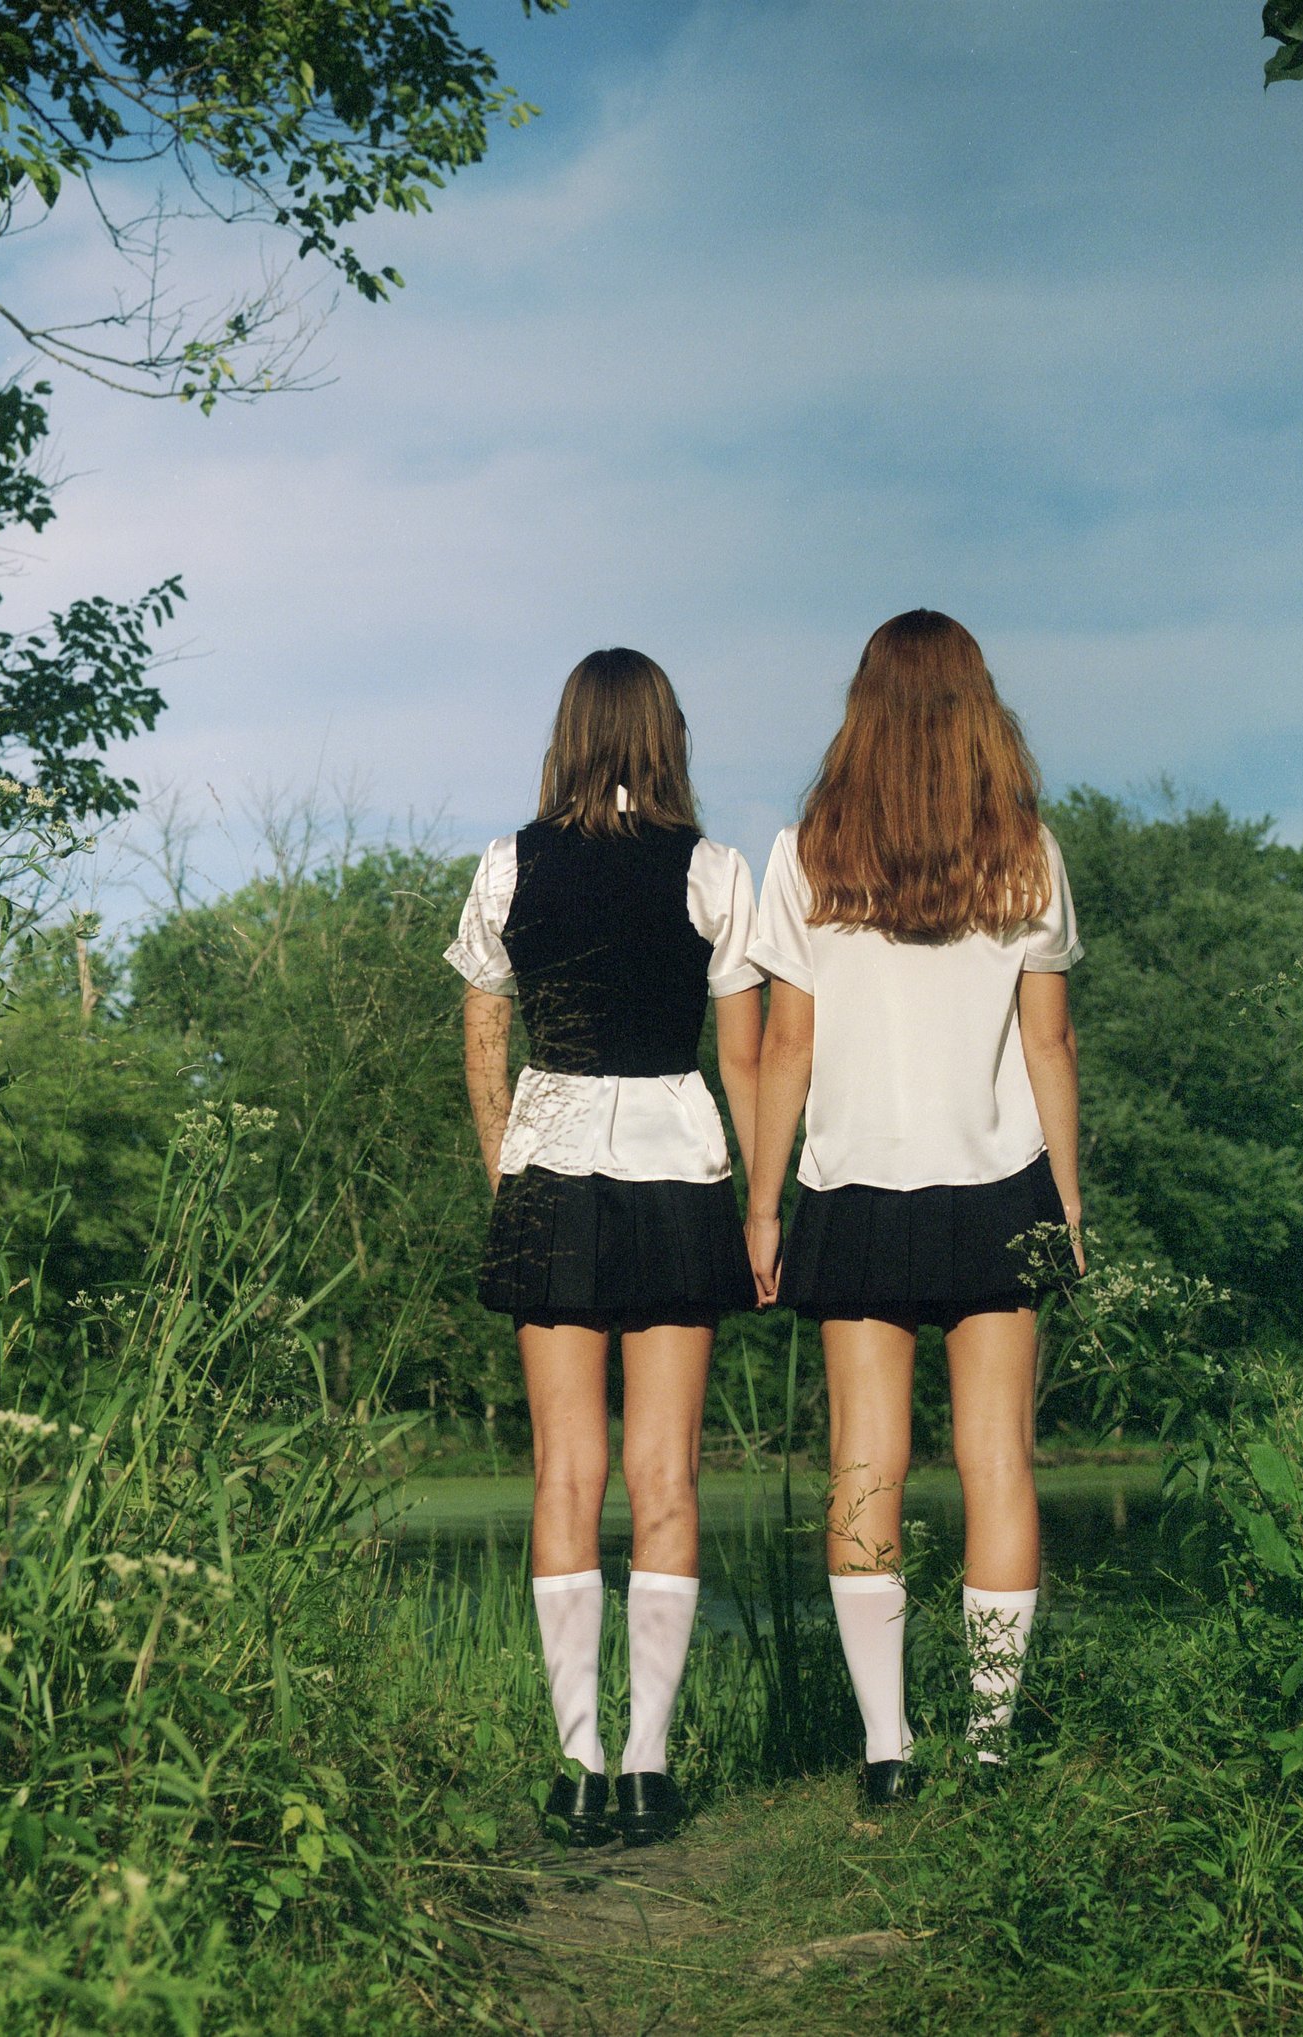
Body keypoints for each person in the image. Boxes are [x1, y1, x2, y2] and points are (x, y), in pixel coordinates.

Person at [743, 609, 1084, 1804]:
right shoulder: (1029, 854)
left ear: (863, 707)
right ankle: (991, 1749)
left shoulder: (805, 855)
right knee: (1000, 1462)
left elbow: (786, 1041)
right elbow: (1050, 1043)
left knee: (864, 1467)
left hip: (851, 1186)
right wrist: (1071, 1212)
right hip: (1000, 1185)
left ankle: (886, 1750)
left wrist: (761, 1205)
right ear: (980, 707)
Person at [447, 648, 762, 1847]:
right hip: (679, 1174)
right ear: (664, 734)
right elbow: (741, 1058)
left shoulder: (506, 867)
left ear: (570, 731)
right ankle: (648, 1764)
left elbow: (483, 1038)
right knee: (665, 1477)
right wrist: (762, 1196)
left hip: (551, 1169)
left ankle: (578, 1759)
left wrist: (506, 1167)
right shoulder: (714, 873)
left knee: (565, 1477)